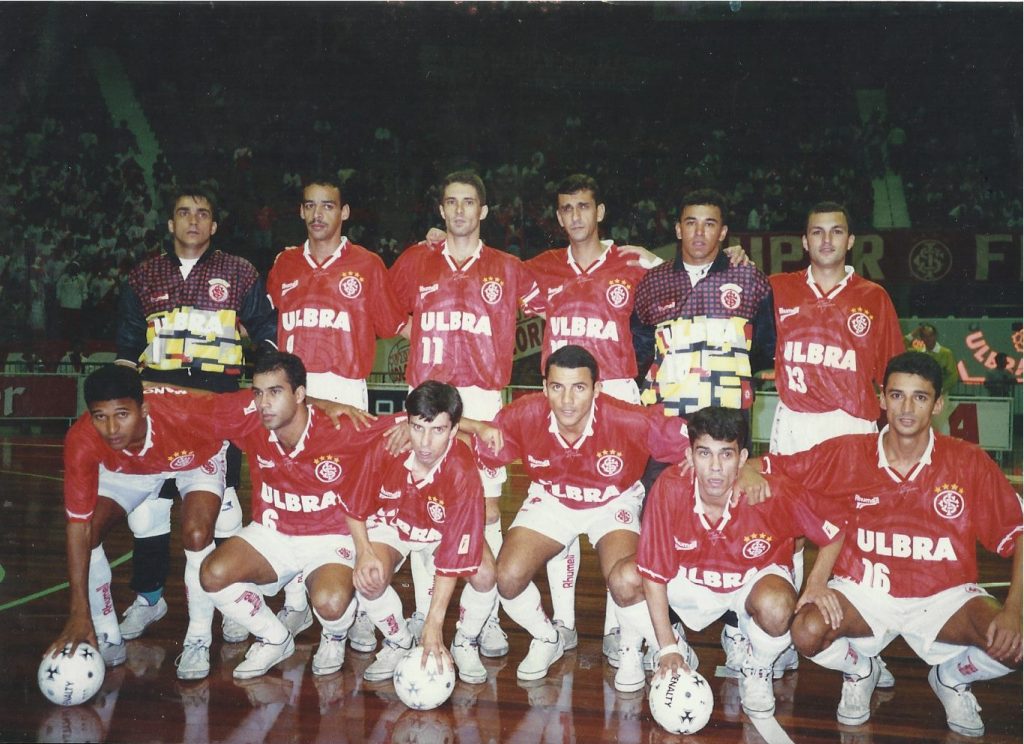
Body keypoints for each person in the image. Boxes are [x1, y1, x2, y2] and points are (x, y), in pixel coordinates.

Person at [759, 352, 1022, 738]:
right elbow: (775, 467)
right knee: (806, 631)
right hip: (867, 593)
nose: (906, 408)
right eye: (897, 395)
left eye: (920, 397)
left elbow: (1018, 533)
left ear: (938, 404)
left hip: (944, 596)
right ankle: (860, 670)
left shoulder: (969, 462)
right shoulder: (849, 452)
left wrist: (1014, 610)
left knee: (1017, 641)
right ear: (882, 399)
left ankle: (952, 677)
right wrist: (744, 469)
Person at [388, 170, 545, 658]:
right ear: (441, 210)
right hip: (427, 398)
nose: (459, 211)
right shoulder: (416, 260)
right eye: (451, 202)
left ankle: (486, 616)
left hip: (481, 398)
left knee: (488, 507)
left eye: (469, 202)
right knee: (424, 504)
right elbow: (387, 314)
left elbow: (556, 297)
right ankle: (422, 612)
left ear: (484, 210)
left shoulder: (508, 267)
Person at [114, 185, 278, 646]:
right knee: (148, 515)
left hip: (215, 410)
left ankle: (227, 594)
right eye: (183, 213)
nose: (192, 221)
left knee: (223, 513)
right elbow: (128, 350)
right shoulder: (144, 275)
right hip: (158, 412)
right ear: (170, 223)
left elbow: (267, 333)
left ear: (214, 225)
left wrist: (260, 388)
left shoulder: (240, 273)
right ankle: (149, 598)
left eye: (202, 213)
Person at [466, 345, 690, 681]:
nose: (567, 400)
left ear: (598, 389)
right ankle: (549, 636)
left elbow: (697, 440)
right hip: (553, 499)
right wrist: (456, 427)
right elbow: (473, 439)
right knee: (507, 578)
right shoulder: (526, 414)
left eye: (579, 388)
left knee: (624, 580)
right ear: (544, 388)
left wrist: (745, 466)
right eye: (557, 387)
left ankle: (649, 646)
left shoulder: (628, 419)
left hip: (612, 502)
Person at [606, 406, 840, 718]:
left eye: (726, 455)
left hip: (748, 583)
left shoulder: (771, 491)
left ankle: (758, 667)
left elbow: (834, 531)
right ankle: (642, 646)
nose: (715, 467)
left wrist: (816, 583)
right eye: (704, 453)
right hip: (693, 579)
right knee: (623, 577)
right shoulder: (670, 487)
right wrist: (668, 647)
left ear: (743, 459)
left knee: (778, 606)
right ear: (689, 455)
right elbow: (653, 573)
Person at [631, 187, 775, 668]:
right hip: (668, 430)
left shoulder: (749, 279)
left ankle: (736, 631)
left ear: (724, 231)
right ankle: (668, 628)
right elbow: (639, 352)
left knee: (736, 521)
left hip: (727, 434)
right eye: (690, 222)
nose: (699, 232)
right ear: (677, 228)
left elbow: (763, 350)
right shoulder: (651, 284)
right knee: (663, 519)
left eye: (710, 223)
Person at [196, 351, 401, 679]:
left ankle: (333, 636)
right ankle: (275, 638)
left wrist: (476, 428)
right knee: (212, 574)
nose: (264, 403)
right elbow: (194, 403)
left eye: (275, 392)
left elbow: (418, 422)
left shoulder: (341, 427)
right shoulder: (252, 422)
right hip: (275, 533)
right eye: (258, 393)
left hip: (331, 538)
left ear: (301, 395)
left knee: (331, 602)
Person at [763, 201, 904, 679]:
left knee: (850, 535)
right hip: (795, 424)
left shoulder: (874, 297)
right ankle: (778, 637)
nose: (826, 240)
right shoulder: (778, 289)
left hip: (850, 427)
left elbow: (892, 373)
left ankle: (862, 646)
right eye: (816, 232)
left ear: (850, 241)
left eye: (836, 232)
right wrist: (736, 261)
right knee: (790, 530)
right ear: (804, 242)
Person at [266, 174, 406, 651]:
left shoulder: (367, 264)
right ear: (302, 212)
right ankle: (295, 598)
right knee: (288, 486)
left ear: (344, 213)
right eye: (311, 206)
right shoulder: (283, 264)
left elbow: (395, 325)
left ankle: (363, 604)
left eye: (329, 206)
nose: (319, 214)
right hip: (292, 390)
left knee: (352, 493)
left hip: (346, 390)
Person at [523, 174, 659, 657]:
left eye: (583, 206)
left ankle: (617, 628)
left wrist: (735, 258)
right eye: (566, 208)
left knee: (615, 510)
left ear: (599, 212)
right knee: (563, 500)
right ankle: (562, 623)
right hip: (561, 398)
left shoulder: (635, 263)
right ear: (558, 217)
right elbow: (487, 276)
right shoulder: (539, 269)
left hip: (617, 392)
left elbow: (692, 272)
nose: (575, 216)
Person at [44, 365, 229, 683]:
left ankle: (198, 637)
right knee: (90, 531)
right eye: (100, 416)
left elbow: (254, 406)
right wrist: (78, 612)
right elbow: (78, 525)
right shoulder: (83, 438)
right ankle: (106, 634)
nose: (111, 427)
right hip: (133, 463)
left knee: (196, 533)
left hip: (193, 457)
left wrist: (328, 406)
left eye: (121, 414)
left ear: (144, 409)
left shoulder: (185, 409)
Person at [347, 381, 498, 684]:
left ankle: (465, 640)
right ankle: (398, 640)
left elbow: (454, 555)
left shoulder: (462, 470)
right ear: (407, 423)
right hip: (393, 524)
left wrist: (434, 624)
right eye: (417, 428)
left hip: (440, 534)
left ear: (455, 430)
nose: (425, 443)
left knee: (484, 574)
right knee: (369, 578)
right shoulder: (386, 445)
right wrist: (363, 552)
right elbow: (354, 507)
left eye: (438, 430)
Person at [905, 322, 959, 433]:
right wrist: (912, 334)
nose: (927, 339)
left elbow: (953, 376)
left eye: (930, 336)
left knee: (940, 425)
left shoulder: (945, 353)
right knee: (921, 426)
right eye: (924, 336)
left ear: (935, 336)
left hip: (940, 396)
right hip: (921, 395)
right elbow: (900, 345)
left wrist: (939, 389)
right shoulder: (917, 352)